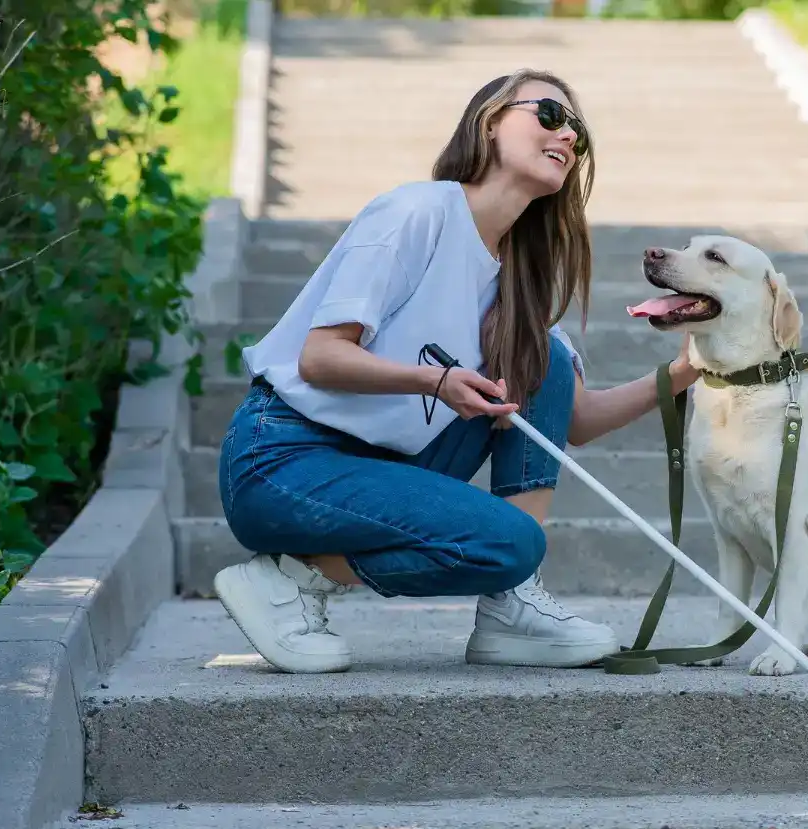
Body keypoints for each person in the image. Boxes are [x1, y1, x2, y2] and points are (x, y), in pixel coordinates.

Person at [215, 69, 698, 674]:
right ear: (491, 122)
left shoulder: (513, 275)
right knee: (512, 541)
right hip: (284, 459)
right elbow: (321, 357)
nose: (569, 135)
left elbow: (576, 420)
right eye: (550, 115)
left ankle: (510, 602)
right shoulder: (417, 211)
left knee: (541, 358)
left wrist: (684, 372)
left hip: (380, 463)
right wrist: (435, 382)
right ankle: (292, 578)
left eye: (579, 131)